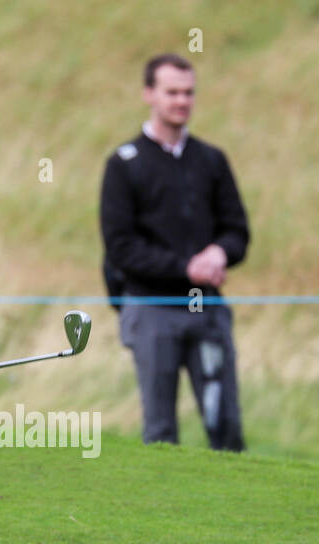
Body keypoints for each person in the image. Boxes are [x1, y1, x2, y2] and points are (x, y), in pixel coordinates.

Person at [100, 53, 250, 452]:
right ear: (149, 94)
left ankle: (232, 508)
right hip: (151, 311)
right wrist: (187, 268)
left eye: (188, 93)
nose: (181, 101)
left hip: (208, 312)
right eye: (172, 92)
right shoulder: (123, 164)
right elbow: (121, 248)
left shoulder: (211, 160)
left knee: (225, 425)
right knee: (161, 430)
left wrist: (219, 253)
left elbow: (238, 231)